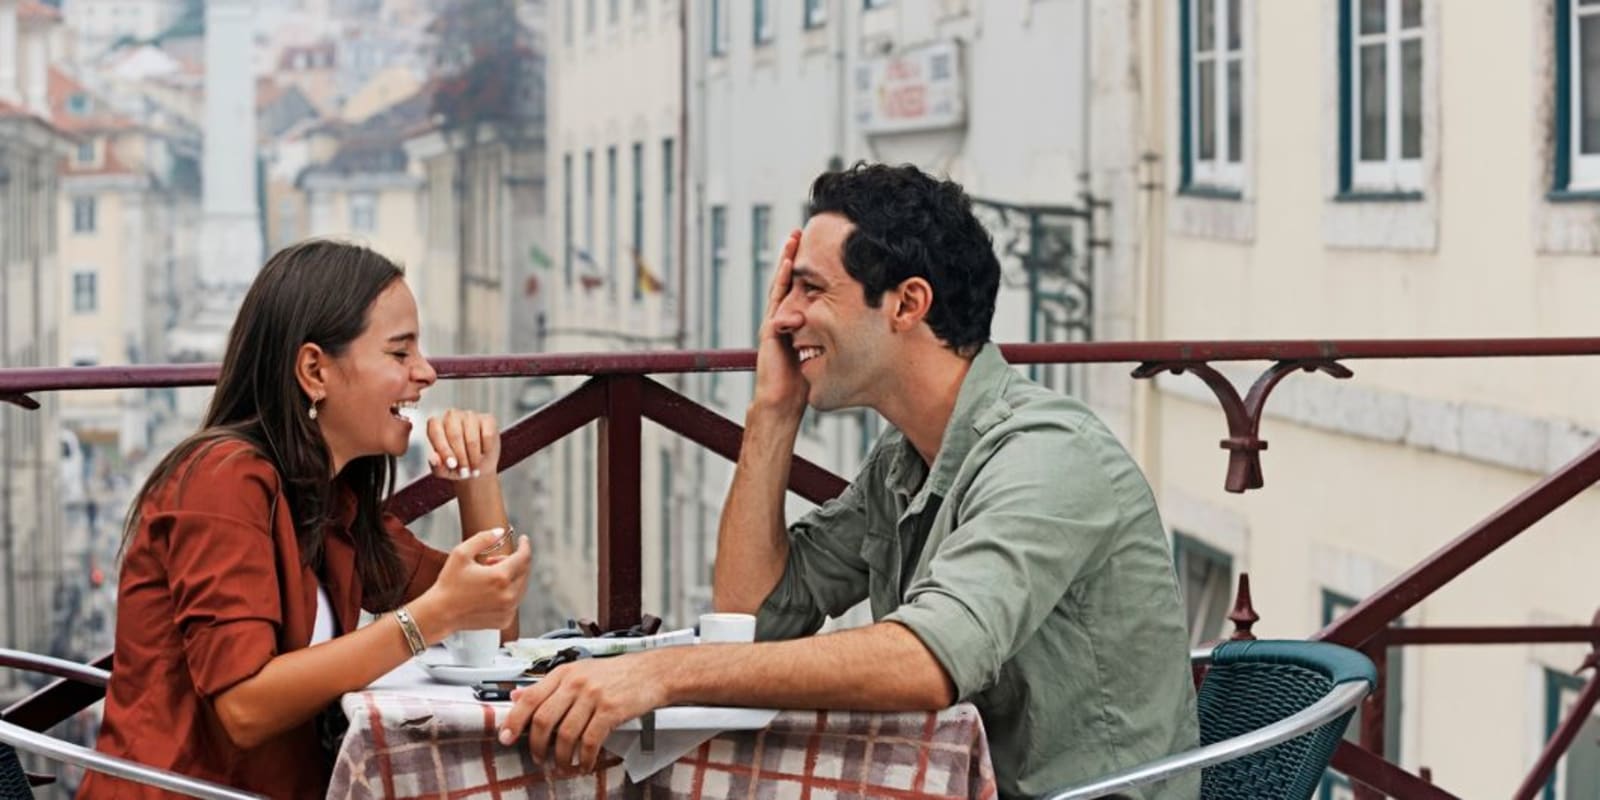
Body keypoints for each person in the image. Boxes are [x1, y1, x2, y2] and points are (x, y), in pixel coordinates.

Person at [497, 164, 1198, 799]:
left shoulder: (1047, 455)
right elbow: (755, 619)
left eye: (810, 289)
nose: (782, 317)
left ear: (906, 303)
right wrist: (772, 413)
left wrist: (663, 674)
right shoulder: (905, 460)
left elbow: (926, 660)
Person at [81, 240, 533, 799]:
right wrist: (428, 619)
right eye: (400, 353)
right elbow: (244, 707)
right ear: (315, 370)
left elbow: (491, 624)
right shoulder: (220, 481)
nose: (427, 373)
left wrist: (476, 478)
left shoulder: (328, 498)